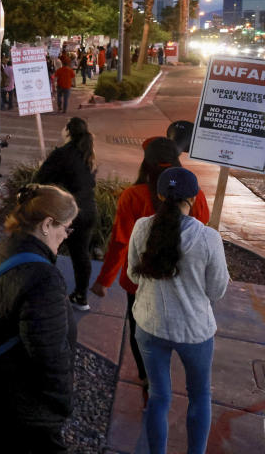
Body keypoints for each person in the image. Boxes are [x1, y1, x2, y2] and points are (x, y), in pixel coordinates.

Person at [91, 138, 211, 403]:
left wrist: (105, 279)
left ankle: (148, 379)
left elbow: (120, 241)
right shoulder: (196, 197)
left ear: (145, 163)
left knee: (140, 329)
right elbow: (202, 233)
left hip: (140, 283)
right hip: (183, 281)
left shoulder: (133, 196)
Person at [0, 184, 78, 453]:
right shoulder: (43, 277)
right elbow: (49, 354)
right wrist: (61, 403)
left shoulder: (0, 251)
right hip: (26, 404)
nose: (66, 235)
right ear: (48, 224)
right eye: (67, 228)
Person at [126, 167, 228, 454]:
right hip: (194, 332)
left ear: (159, 195)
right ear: (194, 198)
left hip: (149, 325)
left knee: (158, 397)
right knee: (199, 397)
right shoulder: (208, 238)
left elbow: (134, 277)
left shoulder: (141, 227)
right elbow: (217, 291)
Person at [33, 117, 98, 310]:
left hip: (68, 212)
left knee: (48, 248)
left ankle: (45, 294)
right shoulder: (88, 155)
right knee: (81, 254)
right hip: (89, 211)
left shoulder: (62, 154)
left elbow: (41, 179)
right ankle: (81, 296)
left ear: (67, 131)